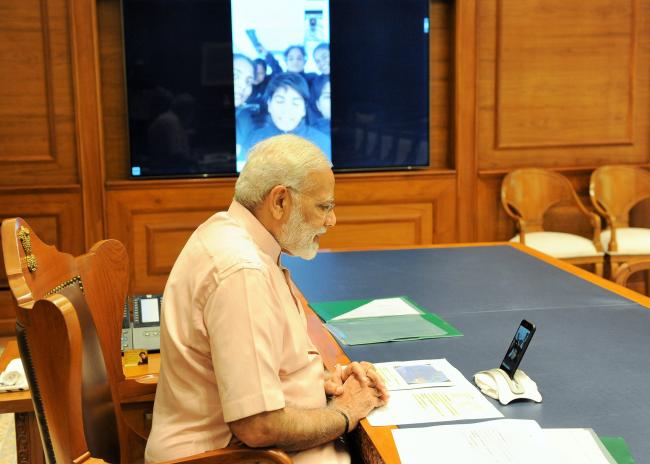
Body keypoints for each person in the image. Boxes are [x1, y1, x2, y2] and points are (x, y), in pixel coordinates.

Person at [145, 135, 388, 463]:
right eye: (324, 207)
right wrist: (346, 412)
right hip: (227, 457)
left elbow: (263, 368)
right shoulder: (242, 272)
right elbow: (258, 426)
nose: (331, 220)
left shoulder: (227, 231)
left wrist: (322, 381)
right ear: (280, 201)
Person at [240, 73, 330, 166]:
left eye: (295, 103)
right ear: (269, 105)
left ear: (304, 110)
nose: (287, 110)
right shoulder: (253, 140)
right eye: (280, 101)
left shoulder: (322, 143)